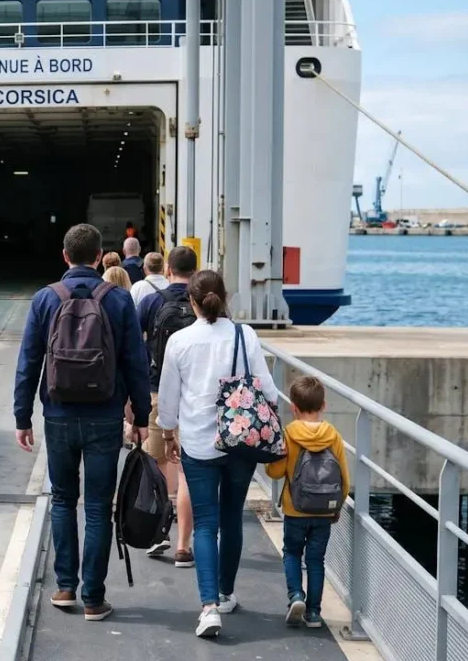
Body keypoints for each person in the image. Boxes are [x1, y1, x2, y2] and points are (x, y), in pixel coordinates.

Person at [14, 223, 151, 623]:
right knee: (96, 507)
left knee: (61, 500)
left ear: (64, 256)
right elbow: (136, 365)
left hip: (57, 415)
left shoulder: (45, 299)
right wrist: (141, 416)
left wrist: (23, 417)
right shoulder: (119, 300)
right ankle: (93, 598)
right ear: (98, 257)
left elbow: (28, 363)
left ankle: (64, 588)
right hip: (105, 416)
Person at [155, 269, 279, 639]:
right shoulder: (246, 335)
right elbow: (269, 391)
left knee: (205, 524)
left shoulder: (180, 341)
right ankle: (225, 594)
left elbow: (168, 399)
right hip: (240, 443)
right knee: (231, 518)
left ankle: (208, 607)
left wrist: (168, 430)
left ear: (191, 301)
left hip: (198, 443)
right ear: (225, 298)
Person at [265, 376, 350, 629]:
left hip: (295, 509)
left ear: (294, 407)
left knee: (291, 553)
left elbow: (275, 472)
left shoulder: (289, 433)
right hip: (324, 512)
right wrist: (336, 507)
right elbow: (344, 478)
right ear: (323, 405)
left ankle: (296, 596)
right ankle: (313, 613)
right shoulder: (332, 435)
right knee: (316, 560)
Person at [135, 246, 197, 567]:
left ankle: (160, 531)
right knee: (187, 472)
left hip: (159, 390)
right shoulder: (204, 301)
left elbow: (134, 345)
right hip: (197, 398)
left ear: (169, 269)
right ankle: (184, 546)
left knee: (157, 461)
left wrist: (134, 395)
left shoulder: (151, 301)